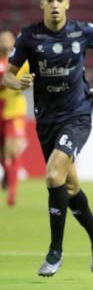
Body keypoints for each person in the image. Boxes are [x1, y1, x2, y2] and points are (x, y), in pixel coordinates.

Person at [3, 0, 93, 277]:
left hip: (78, 115)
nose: (54, 4)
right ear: (42, 4)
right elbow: (8, 77)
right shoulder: (29, 36)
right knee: (68, 185)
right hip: (47, 120)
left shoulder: (83, 31)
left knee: (54, 175)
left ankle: (55, 251)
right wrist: (18, 83)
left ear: (68, 3)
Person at [0, 30, 28, 206]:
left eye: (8, 40)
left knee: (13, 150)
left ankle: (12, 192)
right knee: (3, 154)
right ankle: (8, 175)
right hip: (1, 112)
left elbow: (28, 79)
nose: (5, 43)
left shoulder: (20, 62)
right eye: (2, 40)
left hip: (14, 112)